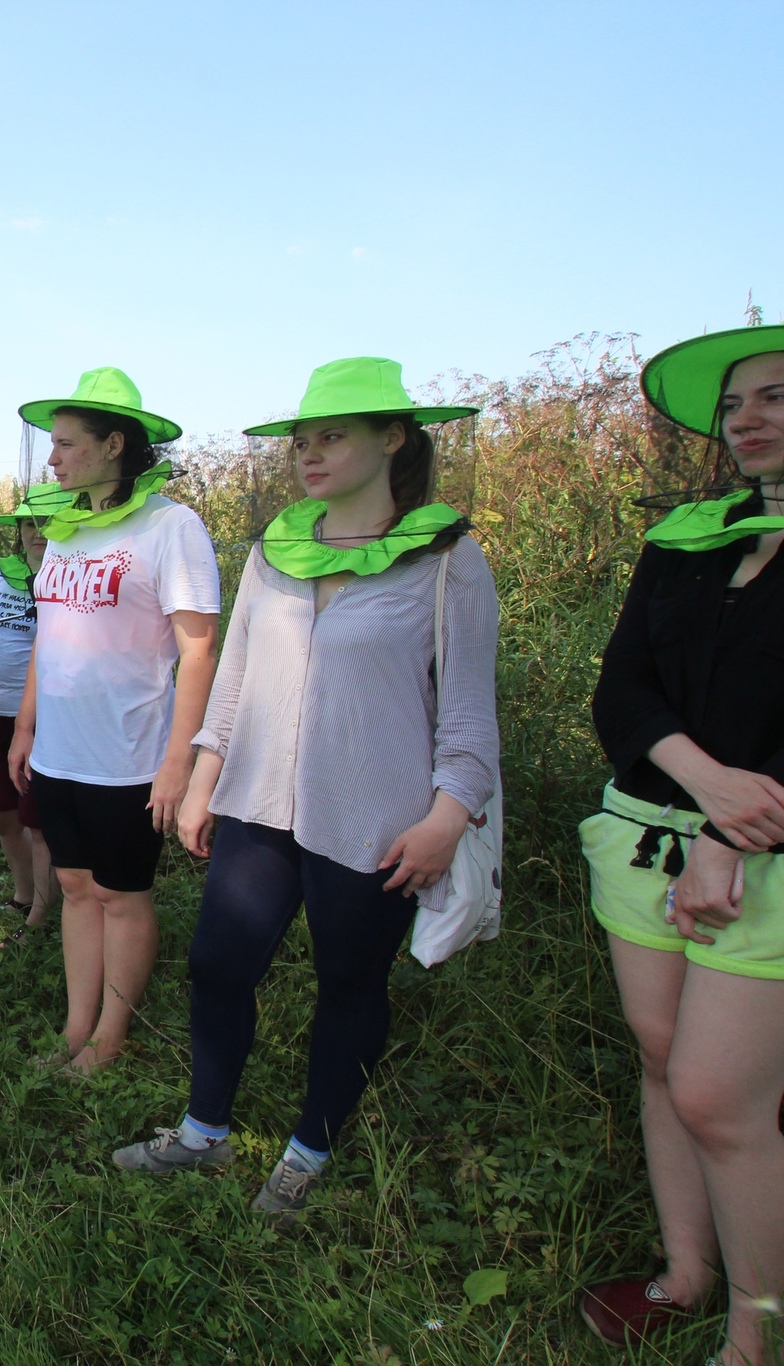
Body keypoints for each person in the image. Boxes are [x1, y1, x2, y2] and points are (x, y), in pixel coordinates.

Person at [113, 356, 499, 1222]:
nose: (311, 455)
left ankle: (305, 1153)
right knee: (217, 964)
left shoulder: (448, 560)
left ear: (392, 439)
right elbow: (236, 677)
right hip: (258, 804)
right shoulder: (275, 550)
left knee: (349, 983)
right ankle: (203, 1132)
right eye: (303, 440)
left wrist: (447, 816)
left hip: (377, 820)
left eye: (333, 437)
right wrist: (207, 775)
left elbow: (470, 718)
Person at [574, 326, 784, 1363]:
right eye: (736, 404)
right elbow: (620, 688)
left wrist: (725, 824)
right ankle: (683, 1273)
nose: (745, 418)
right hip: (645, 837)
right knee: (660, 1062)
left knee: (716, 1093)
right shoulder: (687, 538)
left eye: (774, 398)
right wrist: (699, 786)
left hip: (763, 861)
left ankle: (756, 1328)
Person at [7, 368, 221, 1073]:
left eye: (67, 444)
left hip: (130, 754)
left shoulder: (170, 527)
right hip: (61, 751)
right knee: (73, 887)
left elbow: (198, 650)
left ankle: (110, 1037)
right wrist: (27, 727)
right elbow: (50, 635)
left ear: (114, 444)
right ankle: (76, 1028)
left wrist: (179, 761)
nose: (54, 459)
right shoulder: (66, 530)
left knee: (120, 896)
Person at [0, 481, 70, 948]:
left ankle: (39, 913)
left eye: (48, 522)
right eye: (29, 523)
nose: (37, 532)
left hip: (42, 716)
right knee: (0, 810)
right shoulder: (3, 575)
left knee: (37, 819)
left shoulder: (68, 575)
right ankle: (22, 892)